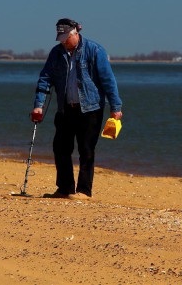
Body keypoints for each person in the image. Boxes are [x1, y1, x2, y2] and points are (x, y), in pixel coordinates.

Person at [32, 18, 123, 201]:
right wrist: (38, 106)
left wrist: (116, 107)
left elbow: (108, 81)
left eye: (66, 37)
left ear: (76, 32)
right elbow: (45, 79)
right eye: (61, 38)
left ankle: (84, 191)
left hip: (91, 109)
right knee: (60, 148)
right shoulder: (56, 53)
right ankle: (65, 189)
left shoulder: (94, 50)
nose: (64, 41)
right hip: (66, 109)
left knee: (86, 150)